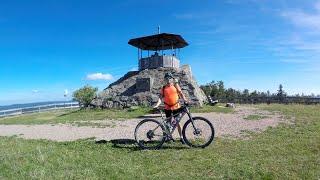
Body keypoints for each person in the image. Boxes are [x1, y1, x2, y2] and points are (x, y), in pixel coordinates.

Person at [153, 72, 189, 144]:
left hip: (176, 107)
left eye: (169, 78)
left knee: (178, 123)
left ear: (172, 79)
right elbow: (160, 97)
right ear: (165, 79)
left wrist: (185, 99)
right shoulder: (163, 88)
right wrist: (157, 104)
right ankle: (169, 137)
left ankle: (181, 137)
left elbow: (181, 93)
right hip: (167, 108)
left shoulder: (175, 86)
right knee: (168, 123)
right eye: (166, 78)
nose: (168, 79)